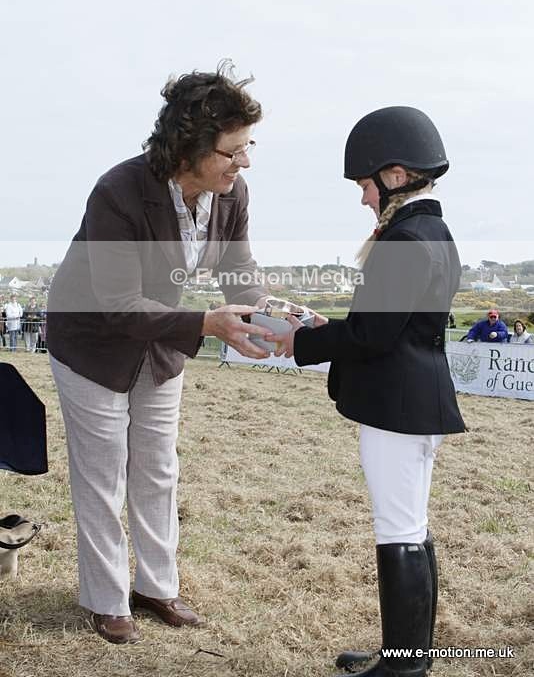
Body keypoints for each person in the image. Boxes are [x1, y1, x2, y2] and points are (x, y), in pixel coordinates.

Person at [47, 62, 272, 645]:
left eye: (247, 148)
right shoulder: (118, 191)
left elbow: (238, 274)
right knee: (103, 472)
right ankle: (105, 596)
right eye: (232, 151)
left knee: (158, 466)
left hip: (162, 341)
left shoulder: (231, 193)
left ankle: (156, 587)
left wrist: (279, 313)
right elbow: (119, 303)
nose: (244, 162)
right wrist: (205, 323)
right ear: (189, 147)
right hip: (92, 340)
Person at [272, 107, 466, 677]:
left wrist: (301, 341)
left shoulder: (407, 236)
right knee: (412, 526)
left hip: (398, 403)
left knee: (400, 530)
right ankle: (408, 656)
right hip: (413, 397)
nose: (362, 197)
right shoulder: (430, 229)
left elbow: (372, 332)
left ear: (396, 176)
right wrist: (320, 329)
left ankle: (404, 669)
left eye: (364, 184)